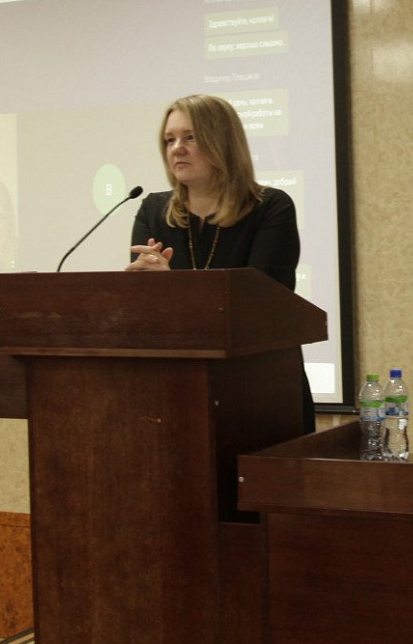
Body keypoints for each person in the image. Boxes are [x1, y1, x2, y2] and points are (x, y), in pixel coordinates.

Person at [124, 93, 311, 430]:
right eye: (169, 140)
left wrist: (172, 287)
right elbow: (146, 307)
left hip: (260, 387)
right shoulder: (153, 210)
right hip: (179, 390)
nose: (176, 149)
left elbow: (260, 303)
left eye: (190, 137)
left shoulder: (270, 208)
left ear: (223, 142)